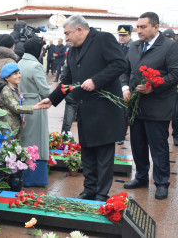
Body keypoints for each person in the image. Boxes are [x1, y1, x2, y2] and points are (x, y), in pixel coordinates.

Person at [39, 15, 126, 201]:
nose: (66, 37)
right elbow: (68, 81)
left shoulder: (103, 39)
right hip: (85, 110)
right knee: (87, 153)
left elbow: (120, 64)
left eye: (67, 33)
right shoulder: (72, 51)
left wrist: (96, 81)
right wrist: (52, 99)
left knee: (103, 155)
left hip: (105, 110)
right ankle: (89, 189)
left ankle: (102, 194)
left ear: (80, 29)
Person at [121, 12, 178, 200]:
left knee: (158, 147)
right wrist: (125, 88)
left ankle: (161, 182)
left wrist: (153, 86)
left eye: (143, 27)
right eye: (138, 27)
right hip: (136, 106)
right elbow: (125, 70)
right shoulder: (134, 46)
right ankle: (141, 176)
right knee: (137, 144)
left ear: (156, 27)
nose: (138, 30)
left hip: (157, 105)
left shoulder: (170, 47)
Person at [18, 36, 51, 187]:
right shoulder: (36, 66)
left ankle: (23, 176)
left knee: (26, 141)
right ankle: (36, 179)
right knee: (37, 143)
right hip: (36, 105)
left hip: (22, 105)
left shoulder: (19, 63)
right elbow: (45, 90)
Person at [0, 63, 43, 140]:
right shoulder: (6, 91)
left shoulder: (15, 89)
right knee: (8, 150)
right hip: (9, 128)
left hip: (16, 126)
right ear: (7, 77)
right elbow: (16, 108)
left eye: (19, 73)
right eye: (15, 74)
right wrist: (34, 107)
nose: (19, 76)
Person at [163, 28, 178, 146]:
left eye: (169, 38)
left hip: (177, 85)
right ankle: (163, 135)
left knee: (176, 112)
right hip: (163, 85)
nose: (168, 41)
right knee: (163, 112)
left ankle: (176, 135)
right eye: (165, 38)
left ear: (174, 39)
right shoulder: (160, 50)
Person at [117, 24, 133, 145]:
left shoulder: (134, 47)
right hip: (116, 81)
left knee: (124, 110)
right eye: (120, 35)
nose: (121, 38)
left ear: (130, 35)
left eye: (124, 35)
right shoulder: (117, 46)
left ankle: (121, 134)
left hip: (127, 82)